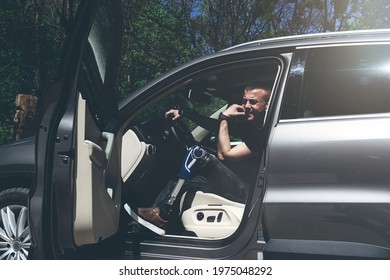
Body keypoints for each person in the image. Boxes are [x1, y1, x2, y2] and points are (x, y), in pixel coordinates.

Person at [138, 83, 271, 228]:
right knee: (183, 180)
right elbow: (214, 126)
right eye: (244, 101)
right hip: (239, 182)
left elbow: (224, 155)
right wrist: (185, 114)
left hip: (247, 193)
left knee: (199, 157)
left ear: (267, 105)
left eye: (253, 102)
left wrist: (225, 118)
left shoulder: (263, 133)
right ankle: (150, 218)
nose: (246, 106)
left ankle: (161, 214)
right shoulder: (252, 126)